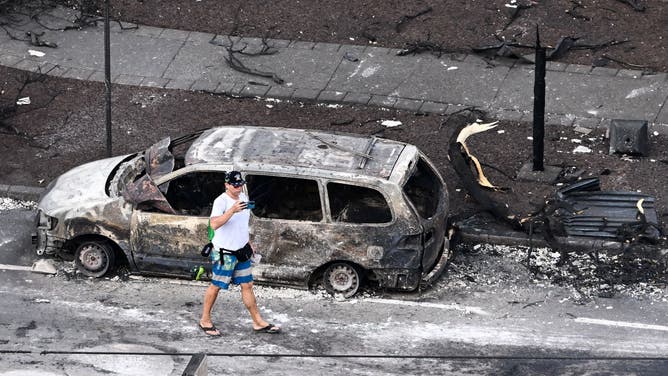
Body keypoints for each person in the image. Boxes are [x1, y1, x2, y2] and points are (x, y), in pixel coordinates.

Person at [198, 171, 281, 336]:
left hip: (241, 251)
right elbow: (213, 224)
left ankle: (257, 321)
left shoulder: (243, 197)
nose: (238, 187)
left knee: (247, 285)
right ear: (227, 185)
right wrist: (231, 211)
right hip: (225, 253)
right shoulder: (220, 201)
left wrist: (248, 242)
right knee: (216, 286)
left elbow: (242, 224)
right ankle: (205, 320)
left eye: (240, 184)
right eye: (235, 185)